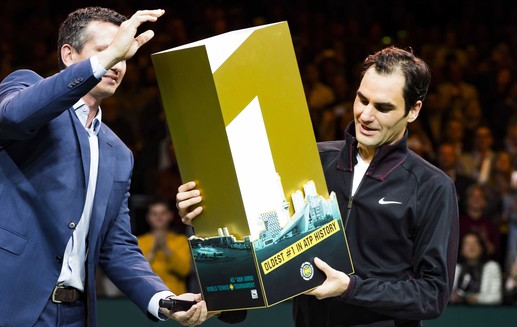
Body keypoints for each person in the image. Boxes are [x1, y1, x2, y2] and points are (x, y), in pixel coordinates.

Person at [177, 46, 459, 326]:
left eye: (383, 107)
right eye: (362, 100)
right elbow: (262, 242)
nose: (365, 115)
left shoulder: (432, 187)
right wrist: (204, 219)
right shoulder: (313, 162)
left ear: (413, 111)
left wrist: (350, 288)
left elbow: (432, 295)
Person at [0, 7, 210, 327]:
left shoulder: (119, 153)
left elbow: (116, 246)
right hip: (6, 305)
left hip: (76, 315)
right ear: (69, 54)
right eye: (107, 51)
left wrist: (162, 299)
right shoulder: (24, 87)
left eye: (123, 55)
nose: (117, 63)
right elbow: (13, 117)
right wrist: (101, 63)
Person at [138, 199, 191, 295]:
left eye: (163, 213)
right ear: (148, 217)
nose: (159, 217)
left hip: (176, 296)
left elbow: (184, 270)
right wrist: (154, 249)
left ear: (170, 216)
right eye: (154, 214)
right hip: (149, 296)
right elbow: (138, 272)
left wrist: (164, 247)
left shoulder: (181, 240)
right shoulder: (139, 241)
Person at [450, 232, 502, 305]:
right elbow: (444, 295)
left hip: (484, 312)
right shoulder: (455, 268)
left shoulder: (492, 267)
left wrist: (478, 299)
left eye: (475, 243)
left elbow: (497, 297)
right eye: (467, 244)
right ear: (461, 250)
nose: (471, 246)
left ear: (481, 248)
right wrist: (453, 297)